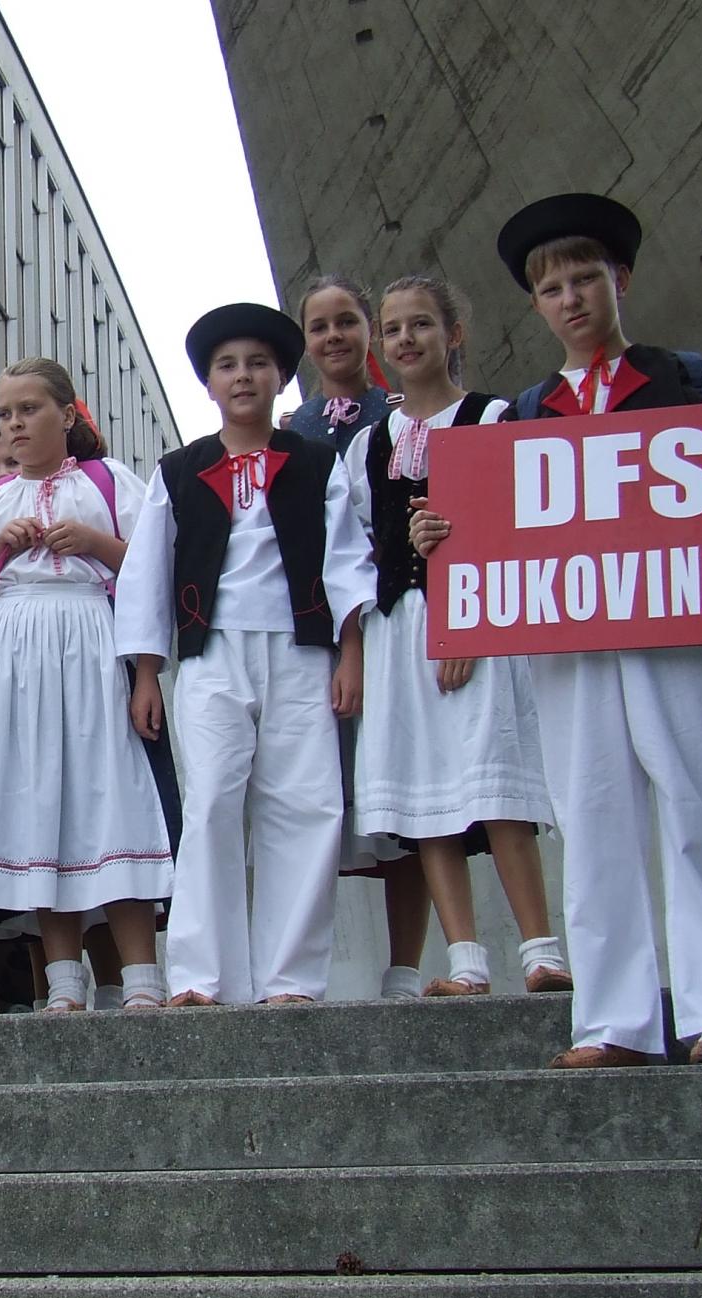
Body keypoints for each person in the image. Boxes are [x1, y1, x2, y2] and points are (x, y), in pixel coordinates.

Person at [413, 192, 702, 1067]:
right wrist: (437, 540)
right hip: (569, 642)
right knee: (593, 814)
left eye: (586, 279)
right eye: (553, 286)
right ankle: (614, 1020)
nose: (571, 297)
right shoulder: (522, 416)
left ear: (621, 281)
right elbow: (485, 522)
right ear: (536, 305)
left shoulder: (689, 380)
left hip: (685, 622)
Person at [118, 305, 374, 1007]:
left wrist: (350, 652)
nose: (243, 377)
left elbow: (348, 560)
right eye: (228, 365)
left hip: (301, 649)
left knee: (305, 803)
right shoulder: (177, 470)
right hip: (210, 654)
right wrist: (147, 671)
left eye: (258, 363)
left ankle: (291, 978)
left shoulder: (318, 463)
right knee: (209, 806)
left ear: (282, 378)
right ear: (208, 383)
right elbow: (146, 577)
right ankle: (204, 975)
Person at [340, 277, 567, 1000]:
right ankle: (466, 958)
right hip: (398, 627)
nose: (407, 340)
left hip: (479, 618)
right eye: (395, 329)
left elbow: (523, 517)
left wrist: (467, 613)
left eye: (422, 326)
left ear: (453, 333)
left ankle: (541, 949)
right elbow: (349, 548)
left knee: (495, 780)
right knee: (425, 791)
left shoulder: (494, 418)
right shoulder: (369, 444)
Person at [0, 358, 172, 1014]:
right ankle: (65, 979)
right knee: (36, 798)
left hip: (91, 639)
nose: (15, 423)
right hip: (15, 651)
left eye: (29, 409)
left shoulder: (107, 480)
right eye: (6, 412)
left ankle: (142, 978)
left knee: (109, 794)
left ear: (67, 415)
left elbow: (154, 569)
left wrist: (99, 542)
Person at [283, 277, 434, 997]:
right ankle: (306, 970)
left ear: (370, 329)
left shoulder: (406, 416)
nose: (335, 336)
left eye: (347, 321)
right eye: (319, 326)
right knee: (317, 800)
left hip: (398, 617)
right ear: (304, 341)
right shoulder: (289, 432)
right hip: (316, 636)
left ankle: (406, 966)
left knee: (407, 791)